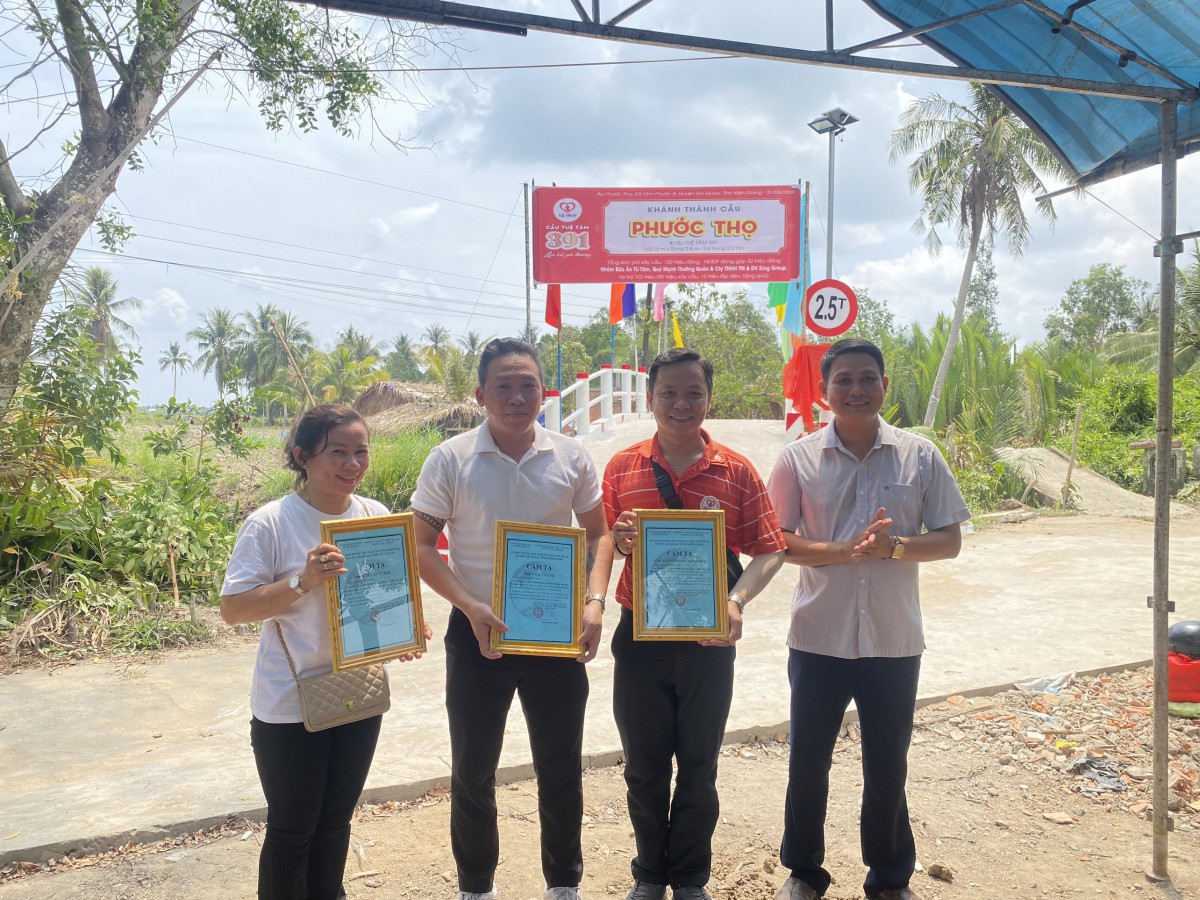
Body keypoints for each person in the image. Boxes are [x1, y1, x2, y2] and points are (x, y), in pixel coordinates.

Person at [765, 338, 970, 900]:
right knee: (808, 762)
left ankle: (889, 877)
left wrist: (894, 548)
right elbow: (777, 539)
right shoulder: (797, 459)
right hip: (818, 636)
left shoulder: (919, 455)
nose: (856, 390)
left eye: (867, 379)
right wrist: (843, 551)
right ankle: (804, 873)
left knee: (887, 765)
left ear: (884, 384)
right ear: (824, 390)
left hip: (893, 641)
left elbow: (949, 539)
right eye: (844, 380)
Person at [410, 337, 608, 900]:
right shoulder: (450, 459)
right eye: (504, 385)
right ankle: (476, 886)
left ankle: (563, 882)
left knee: (560, 766)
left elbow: (597, 534)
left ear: (545, 392)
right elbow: (421, 546)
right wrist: (469, 605)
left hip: (555, 634)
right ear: (480, 395)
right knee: (473, 770)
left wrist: (594, 602)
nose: (517, 396)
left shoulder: (571, 456)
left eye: (528, 385)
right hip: (477, 634)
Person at [587, 347, 786, 900]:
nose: (681, 404)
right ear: (650, 398)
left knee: (699, 764)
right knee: (643, 765)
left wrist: (737, 600)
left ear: (709, 398)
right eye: (669, 393)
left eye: (693, 393)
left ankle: (692, 876)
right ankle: (650, 874)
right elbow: (604, 543)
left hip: (708, 638)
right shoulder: (622, 467)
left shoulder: (736, 470)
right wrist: (617, 549)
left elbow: (771, 548)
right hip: (640, 637)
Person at [220, 404, 429, 900]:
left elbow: (387, 589)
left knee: (336, 820)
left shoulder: (375, 515)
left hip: (358, 690)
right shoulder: (271, 523)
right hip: (289, 702)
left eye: (361, 451)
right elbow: (233, 609)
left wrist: (405, 627)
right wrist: (303, 580)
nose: (352, 464)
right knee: (293, 827)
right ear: (302, 457)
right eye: (338, 452)